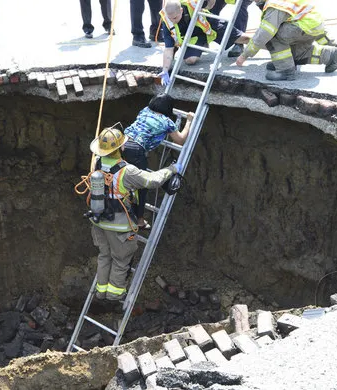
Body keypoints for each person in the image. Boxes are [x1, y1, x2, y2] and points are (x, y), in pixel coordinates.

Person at [88, 127, 181, 302]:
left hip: (98, 221)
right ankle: (115, 294)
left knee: (104, 255)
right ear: (121, 148)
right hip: (119, 225)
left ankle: (101, 291)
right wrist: (172, 169)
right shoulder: (127, 171)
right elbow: (152, 181)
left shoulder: (97, 163)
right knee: (121, 259)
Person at [122, 94, 193, 229]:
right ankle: (140, 221)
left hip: (122, 144)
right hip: (136, 150)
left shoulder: (145, 111)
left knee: (123, 179)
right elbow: (180, 140)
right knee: (141, 186)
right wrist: (189, 121)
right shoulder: (166, 122)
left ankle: (125, 212)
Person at [235, 0, 337, 81]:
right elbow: (317, 28)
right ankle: (331, 55)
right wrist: (330, 43)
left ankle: (285, 70)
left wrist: (244, 55)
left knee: (272, 36)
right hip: (311, 26)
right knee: (296, 53)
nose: (256, 3)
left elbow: (265, 32)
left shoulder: (274, 5)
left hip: (301, 27)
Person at [158, 0, 247, 85]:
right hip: (195, 36)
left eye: (175, 18)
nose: (172, 21)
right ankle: (203, 44)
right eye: (170, 18)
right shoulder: (166, 20)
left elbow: (210, 5)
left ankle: (258, 42)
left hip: (209, 25)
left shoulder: (192, 3)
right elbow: (168, 48)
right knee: (190, 60)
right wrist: (165, 71)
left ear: (181, 10)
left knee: (244, 39)